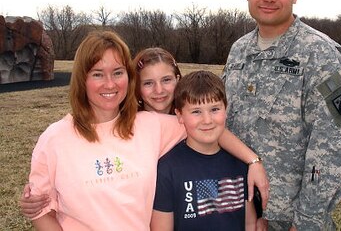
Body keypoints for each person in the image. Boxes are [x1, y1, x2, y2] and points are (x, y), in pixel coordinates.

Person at [23, 31, 268, 230]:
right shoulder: (54, 139)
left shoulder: (150, 125)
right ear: (81, 79)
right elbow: (41, 211)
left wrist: (253, 161)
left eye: (118, 73)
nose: (110, 84)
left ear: (127, 79)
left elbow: (205, 127)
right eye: (98, 74)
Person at [222, 0, 341, 230]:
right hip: (238, 207)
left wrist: (306, 221)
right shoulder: (238, 50)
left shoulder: (320, 52)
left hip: (287, 218)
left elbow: (333, 147)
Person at [150, 71, 257, 231]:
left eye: (214, 109)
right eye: (196, 111)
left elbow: (249, 223)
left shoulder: (241, 163)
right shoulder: (167, 169)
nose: (207, 120)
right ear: (179, 115)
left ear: (226, 110)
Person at [132, 47, 181, 115]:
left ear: (177, 80)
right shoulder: (126, 123)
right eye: (148, 83)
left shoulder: (193, 121)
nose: (159, 90)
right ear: (136, 86)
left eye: (166, 80)